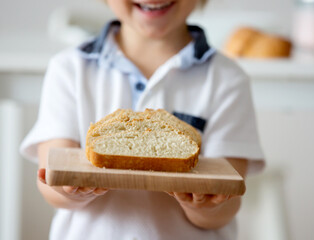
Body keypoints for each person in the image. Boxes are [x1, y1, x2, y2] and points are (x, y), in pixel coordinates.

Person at [20, 0, 264, 239]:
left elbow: (227, 206)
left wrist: (205, 205)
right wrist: (71, 192)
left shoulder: (226, 79)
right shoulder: (70, 69)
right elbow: (52, 182)